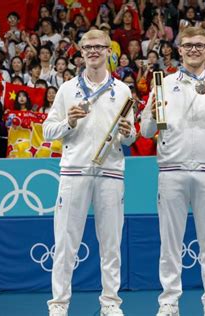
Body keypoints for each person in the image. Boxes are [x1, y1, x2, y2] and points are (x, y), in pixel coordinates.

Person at [140, 26, 205, 316]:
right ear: (179, 50)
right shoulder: (163, 83)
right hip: (171, 170)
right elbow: (146, 131)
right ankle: (169, 300)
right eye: (188, 45)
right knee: (170, 241)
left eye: (199, 45)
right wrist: (155, 110)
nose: (194, 49)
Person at [43, 29, 136, 316]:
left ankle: (110, 303)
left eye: (99, 47)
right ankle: (59, 305)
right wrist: (68, 122)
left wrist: (128, 133)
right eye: (87, 47)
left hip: (111, 173)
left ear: (110, 51)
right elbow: (48, 130)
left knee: (111, 243)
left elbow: (130, 135)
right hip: (74, 172)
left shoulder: (122, 90)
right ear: (81, 53)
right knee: (65, 243)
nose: (93, 51)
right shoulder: (68, 89)